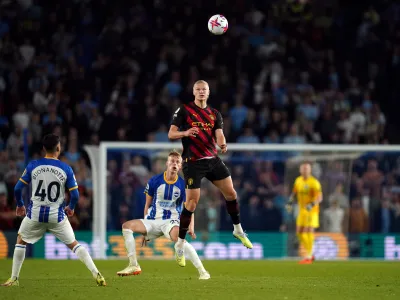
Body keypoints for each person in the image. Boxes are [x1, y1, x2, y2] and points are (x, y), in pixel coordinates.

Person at [1, 134, 106, 287]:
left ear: (44, 149)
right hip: (56, 216)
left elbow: (17, 188)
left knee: (21, 240)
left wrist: (20, 205)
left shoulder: (33, 165)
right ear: (58, 148)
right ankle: (97, 273)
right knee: (75, 245)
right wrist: (71, 208)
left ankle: (14, 279)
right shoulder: (66, 168)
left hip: (35, 214)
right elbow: (75, 195)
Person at [168, 80, 252, 267]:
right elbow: (171, 134)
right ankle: (180, 245)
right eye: (198, 89)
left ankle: (237, 230)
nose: (201, 92)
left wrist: (222, 143)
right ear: (193, 92)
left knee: (231, 193)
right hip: (192, 162)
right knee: (191, 203)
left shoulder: (214, 114)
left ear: (208, 92)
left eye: (204, 89)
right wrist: (186, 133)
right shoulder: (184, 111)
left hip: (212, 159)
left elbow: (219, 133)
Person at [117, 150, 210, 280]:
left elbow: (189, 207)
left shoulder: (183, 185)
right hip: (153, 220)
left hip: (170, 221)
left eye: (178, 162)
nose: (174, 164)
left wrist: (191, 226)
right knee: (126, 226)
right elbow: (147, 205)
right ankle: (134, 265)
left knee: (179, 239)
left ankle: (203, 272)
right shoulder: (155, 180)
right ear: (167, 163)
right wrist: (145, 230)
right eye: (172, 161)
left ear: (180, 166)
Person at [286, 162, 323, 264]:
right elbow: (294, 193)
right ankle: (310, 253)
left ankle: (309, 255)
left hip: (312, 211)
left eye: (307, 168)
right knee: (299, 232)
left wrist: (311, 204)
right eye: (303, 168)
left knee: (308, 231)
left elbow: (320, 197)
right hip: (302, 211)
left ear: (310, 170)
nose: (305, 170)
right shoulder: (298, 181)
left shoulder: (314, 182)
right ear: (300, 170)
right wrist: (289, 203)